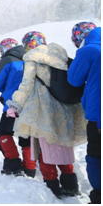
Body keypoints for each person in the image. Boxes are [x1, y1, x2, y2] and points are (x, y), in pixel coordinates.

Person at [6, 31, 86, 198]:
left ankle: (51, 189)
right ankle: (71, 186)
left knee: (45, 150)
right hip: (66, 111)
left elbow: (26, 85)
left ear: (28, 44)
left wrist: (15, 105)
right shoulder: (61, 56)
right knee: (63, 146)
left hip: (43, 112)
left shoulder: (32, 58)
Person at [0, 38, 35, 177]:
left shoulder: (7, 60)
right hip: (30, 104)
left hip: (12, 105)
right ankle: (30, 168)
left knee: (4, 132)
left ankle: (13, 164)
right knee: (26, 135)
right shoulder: (30, 58)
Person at [68, 22, 100, 204]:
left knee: (95, 156)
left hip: (98, 115)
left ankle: (98, 196)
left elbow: (74, 79)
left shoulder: (89, 51)